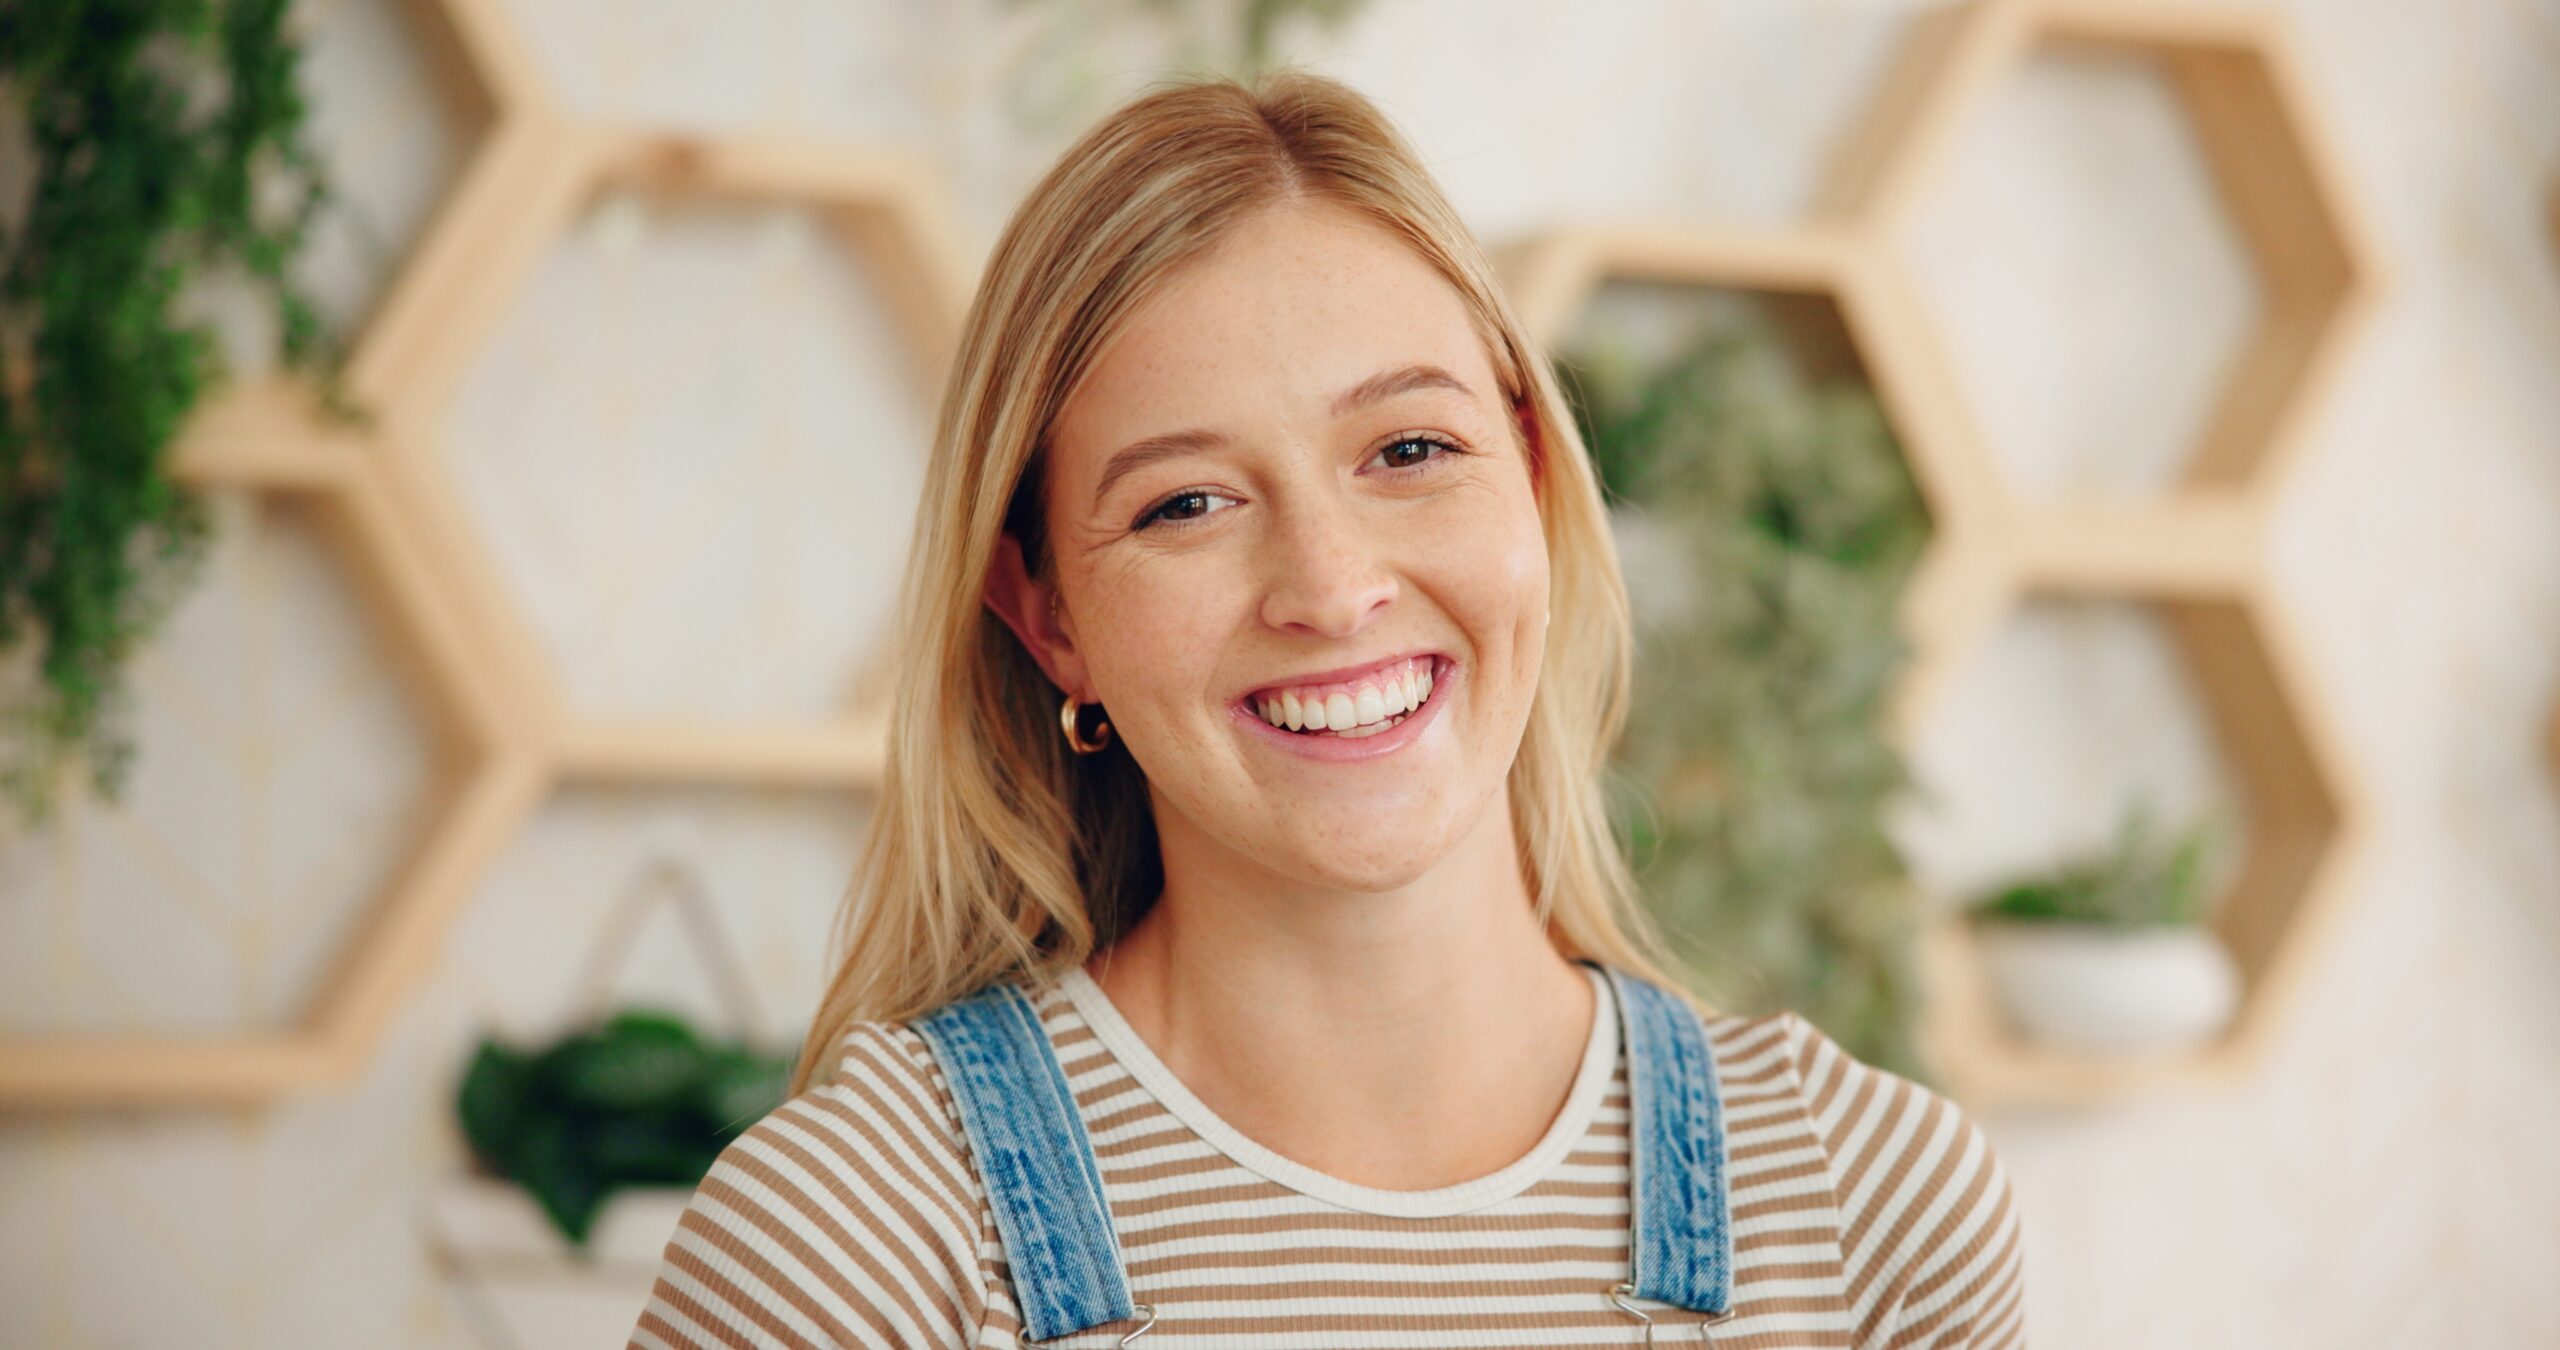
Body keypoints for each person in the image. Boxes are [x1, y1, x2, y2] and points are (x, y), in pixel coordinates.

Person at [629, 67, 2024, 1349]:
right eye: (1187, 503)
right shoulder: (855, 1251)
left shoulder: (1873, 1213)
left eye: (1410, 448)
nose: (1332, 584)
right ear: (1047, 614)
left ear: (1535, 479)